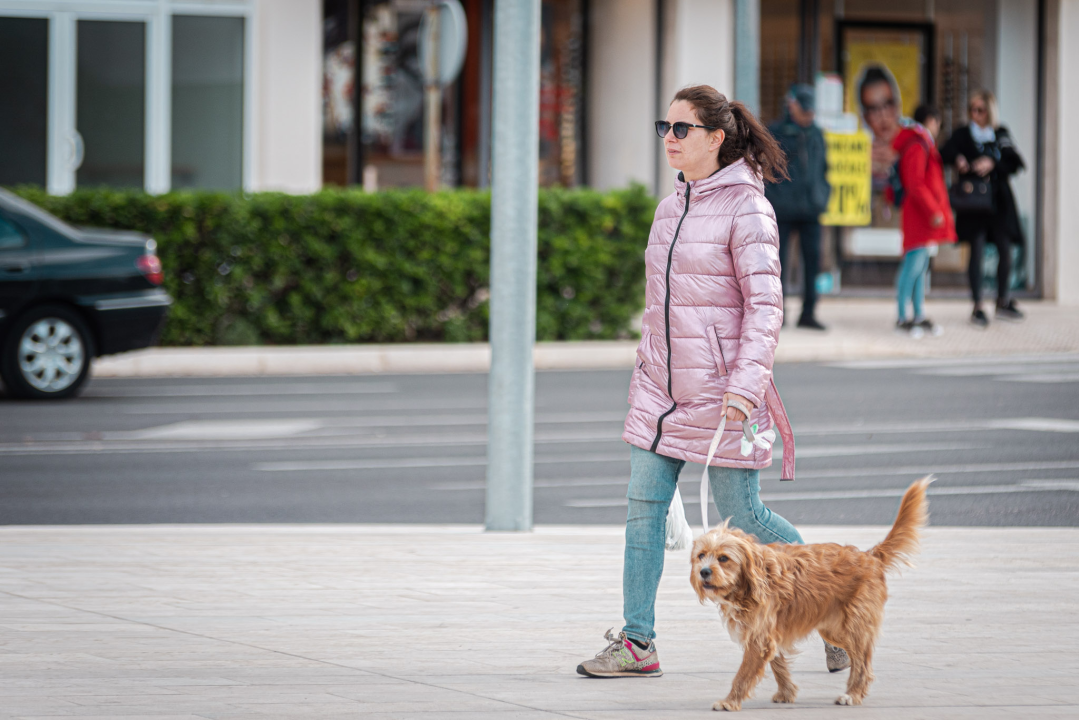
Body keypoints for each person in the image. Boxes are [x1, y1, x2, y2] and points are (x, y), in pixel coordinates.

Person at [576, 85, 849, 679]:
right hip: (660, 393)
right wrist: (647, 366)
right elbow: (660, 306)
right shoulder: (669, 208)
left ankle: (832, 607)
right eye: (665, 127)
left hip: (725, 394)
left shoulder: (748, 207)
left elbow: (765, 308)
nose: (670, 138)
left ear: (716, 138)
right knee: (643, 512)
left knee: (745, 516)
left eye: (682, 128)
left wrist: (745, 388)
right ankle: (637, 643)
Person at [940, 90, 1026, 326]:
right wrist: (958, 158)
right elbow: (944, 152)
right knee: (976, 251)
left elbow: (1016, 162)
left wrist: (993, 163)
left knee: (1005, 250)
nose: (975, 114)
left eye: (980, 110)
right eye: (972, 110)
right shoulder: (963, 134)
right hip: (974, 203)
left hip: (999, 203)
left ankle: (1002, 300)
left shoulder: (1000, 133)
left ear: (990, 111)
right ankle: (977, 305)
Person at [766, 84, 831, 330]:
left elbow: (823, 168)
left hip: (811, 209)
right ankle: (778, 314)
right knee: (778, 263)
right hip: (782, 210)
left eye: (812, 112)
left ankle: (809, 313)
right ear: (792, 106)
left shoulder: (817, 134)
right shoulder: (776, 132)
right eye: (805, 111)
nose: (809, 116)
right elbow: (765, 169)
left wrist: (823, 195)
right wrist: (774, 198)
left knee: (813, 262)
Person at [888, 105, 956, 337]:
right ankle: (902, 317)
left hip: (922, 215)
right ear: (930, 120)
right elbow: (915, 183)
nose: (938, 127)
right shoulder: (918, 144)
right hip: (919, 215)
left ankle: (918, 314)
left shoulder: (921, 142)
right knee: (912, 267)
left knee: (920, 268)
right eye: (937, 122)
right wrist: (933, 211)